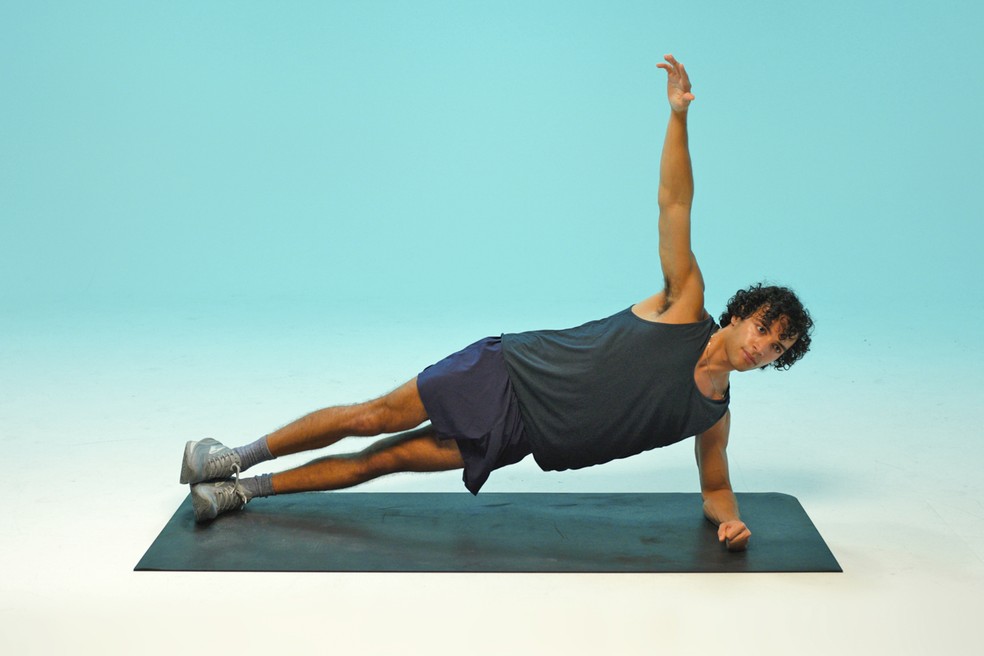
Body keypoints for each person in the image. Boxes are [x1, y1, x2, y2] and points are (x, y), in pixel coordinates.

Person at [179, 54, 813, 552]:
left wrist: (728, 521)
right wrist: (677, 117)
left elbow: (716, 485)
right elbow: (674, 204)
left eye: (778, 347)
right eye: (764, 327)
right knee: (372, 417)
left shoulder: (713, 412)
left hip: (522, 433)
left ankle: (239, 493)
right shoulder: (684, 306)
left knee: (386, 460)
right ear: (739, 315)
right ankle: (229, 458)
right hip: (507, 373)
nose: (763, 346)